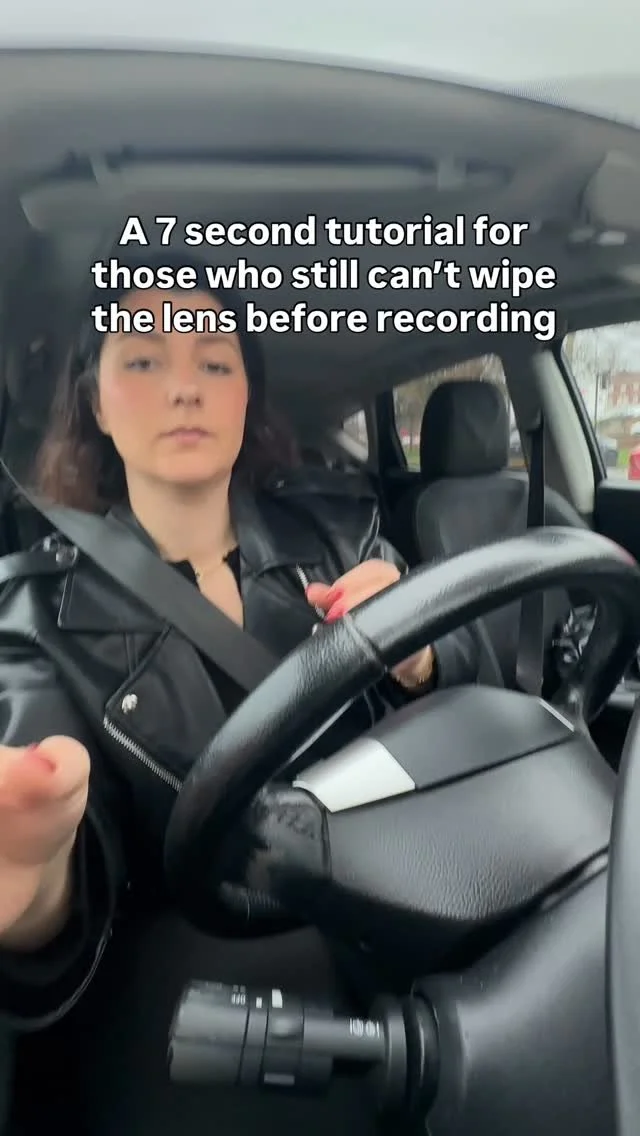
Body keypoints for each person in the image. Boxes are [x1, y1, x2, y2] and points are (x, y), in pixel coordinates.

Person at [0, 254, 480, 1136]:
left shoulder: (345, 531)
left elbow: (478, 682)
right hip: (195, 1003)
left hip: (403, 930)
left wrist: (425, 655)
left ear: (245, 395)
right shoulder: (33, 616)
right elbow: (67, 842)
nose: (185, 386)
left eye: (215, 361)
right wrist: (33, 880)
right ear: (95, 402)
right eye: (143, 358)